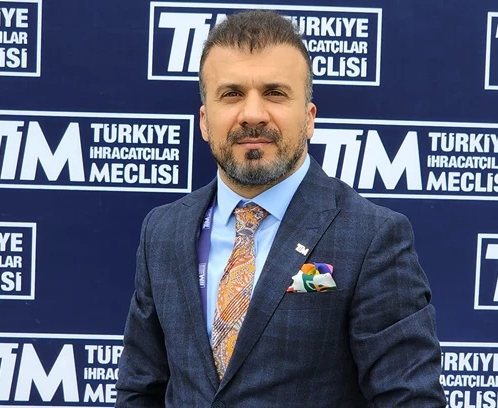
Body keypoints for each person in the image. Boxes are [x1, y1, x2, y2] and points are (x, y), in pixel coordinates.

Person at [116, 10, 446, 407]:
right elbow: (141, 390)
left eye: (274, 93)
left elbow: (410, 399)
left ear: (309, 118)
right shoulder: (163, 231)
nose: (253, 114)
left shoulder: (372, 238)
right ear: (204, 121)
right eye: (231, 94)